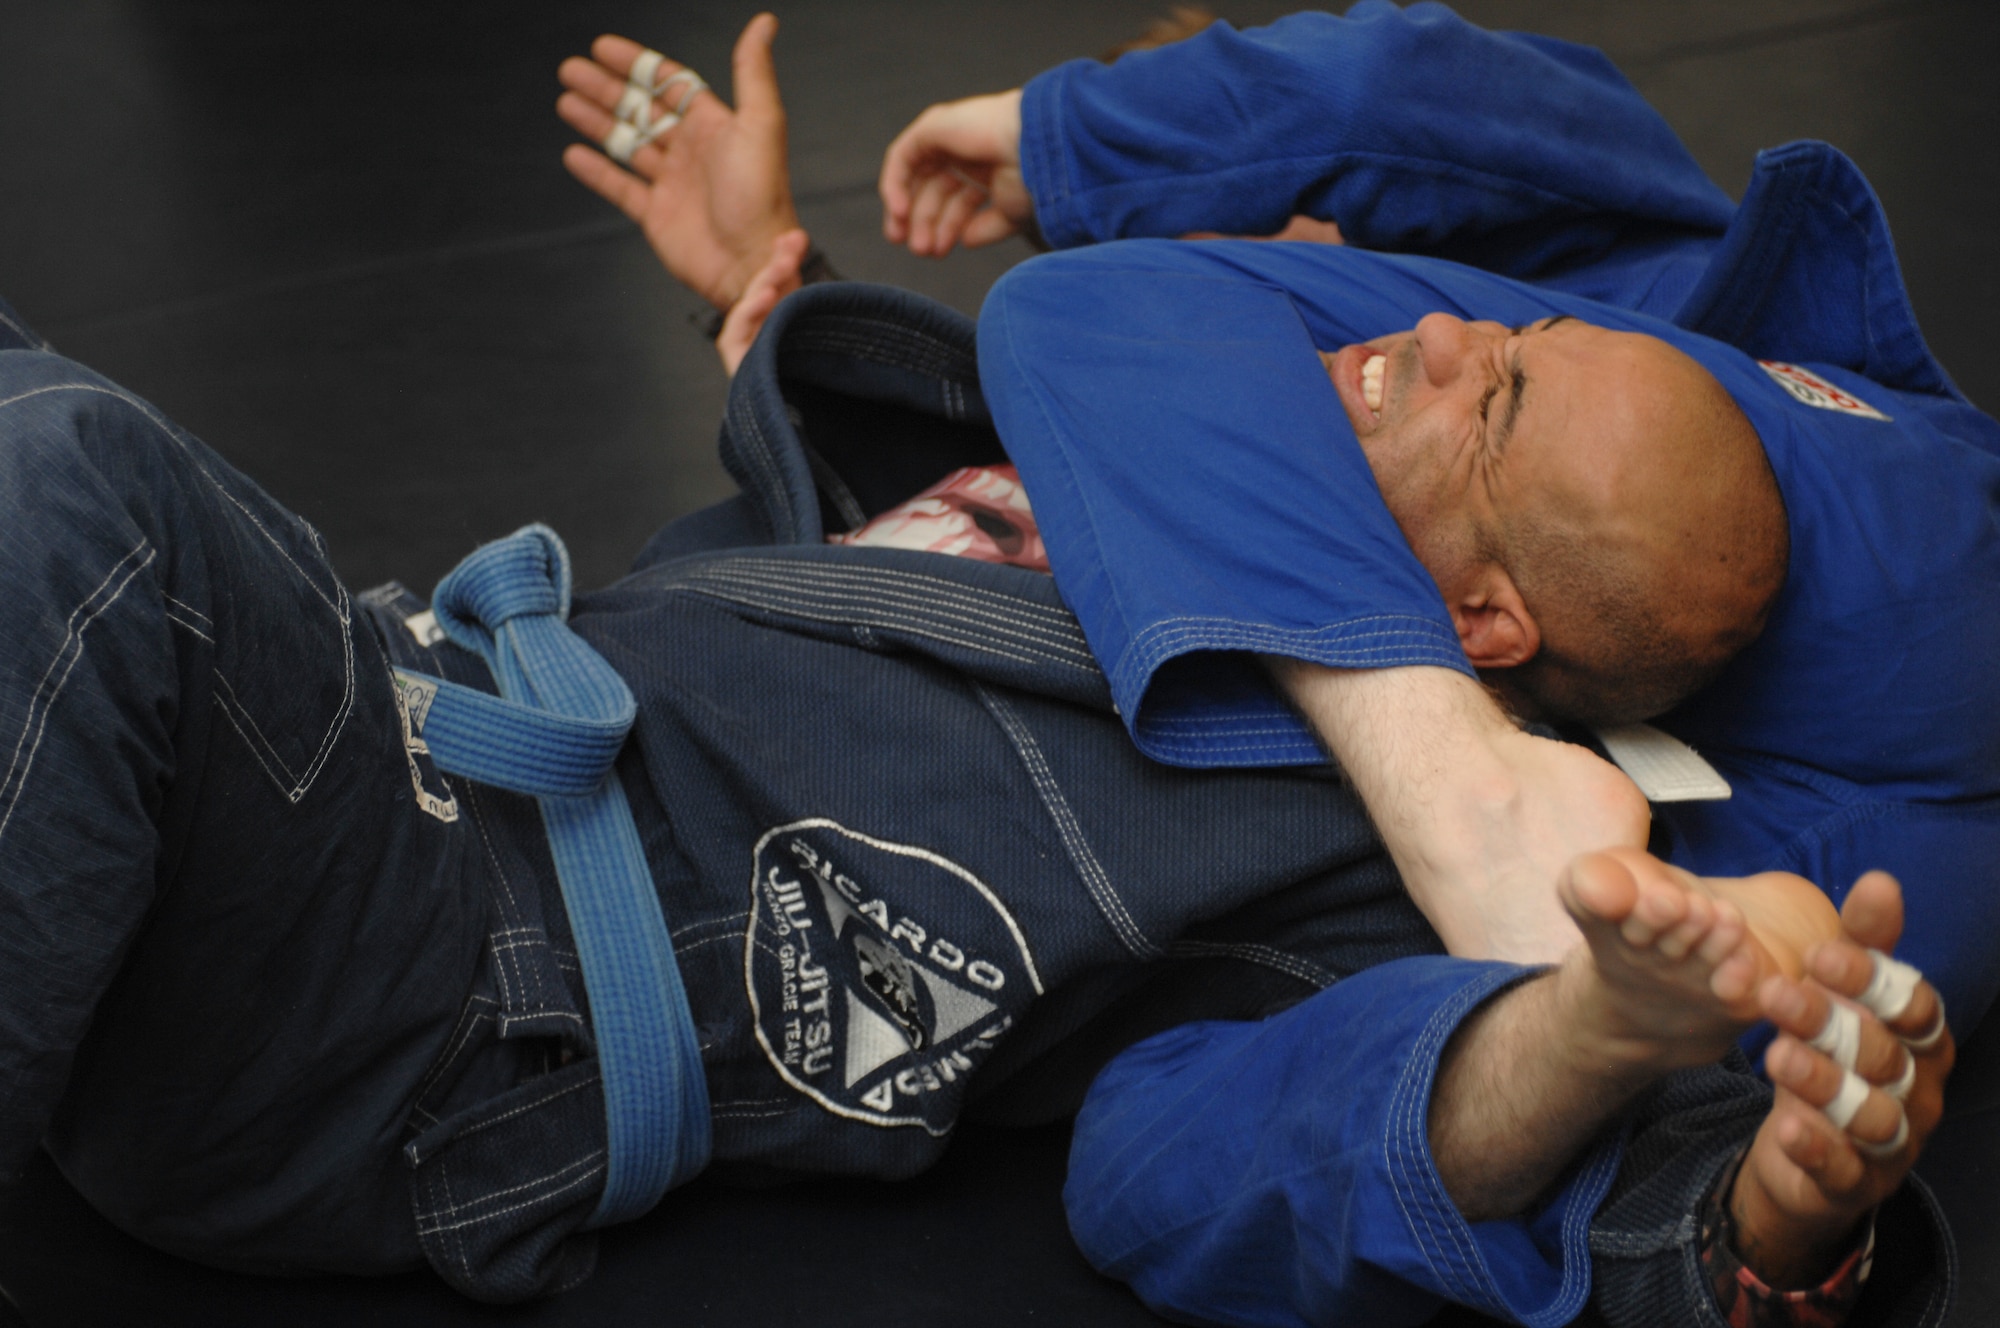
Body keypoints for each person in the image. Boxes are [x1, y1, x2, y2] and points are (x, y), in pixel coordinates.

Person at [559, 8, 1988, 1325]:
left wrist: (1088, 136)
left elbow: (1404, 103)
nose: (1353, 332)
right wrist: (773, 292)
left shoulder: (1606, 426)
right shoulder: (1166, 465)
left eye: (1308, 247)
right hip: (649, 718)